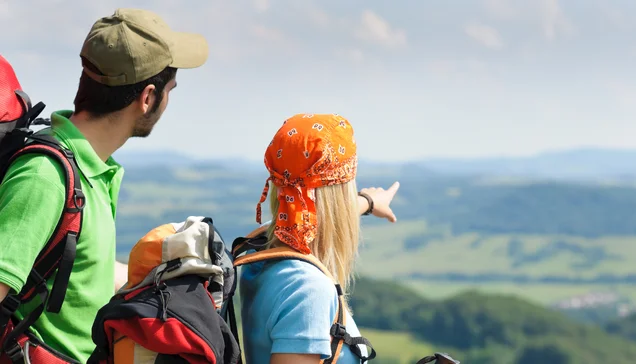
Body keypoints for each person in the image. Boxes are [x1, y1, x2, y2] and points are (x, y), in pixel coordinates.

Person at [0, 8, 208, 362]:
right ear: (147, 98)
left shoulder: (92, 169)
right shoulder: (45, 177)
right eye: (169, 89)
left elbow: (77, 275)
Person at [240, 113, 399, 364]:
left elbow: (313, 209)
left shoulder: (262, 248)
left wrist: (368, 203)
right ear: (338, 195)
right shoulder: (307, 289)